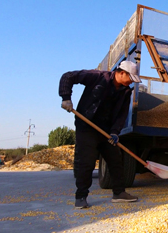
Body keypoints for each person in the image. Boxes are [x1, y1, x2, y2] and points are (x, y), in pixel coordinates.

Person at [59, 60, 141, 209]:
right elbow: (68, 76)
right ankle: (81, 196)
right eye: (130, 78)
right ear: (122, 73)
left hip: (106, 131)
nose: (130, 83)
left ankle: (119, 193)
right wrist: (66, 97)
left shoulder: (125, 92)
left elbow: (122, 114)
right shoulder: (97, 77)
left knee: (116, 160)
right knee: (86, 162)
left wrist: (115, 132)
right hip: (87, 126)